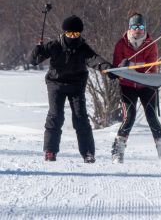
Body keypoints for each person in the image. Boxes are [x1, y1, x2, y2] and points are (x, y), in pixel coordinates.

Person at [30, 15, 115, 163]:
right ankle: (50, 151)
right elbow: (33, 61)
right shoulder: (55, 45)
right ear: (64, 33)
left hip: (76, 85)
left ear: (80, 34)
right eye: (70, 33)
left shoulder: (83, 47)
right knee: (56, 115)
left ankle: (88, 152)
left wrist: (107, 68)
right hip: (56, 83)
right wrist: (37, 50)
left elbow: (95, 59)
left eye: (76, 34)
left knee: (81, 117)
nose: (73, 36)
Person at [111, 11, 161, 164]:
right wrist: (122, 67)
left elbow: (151, 69)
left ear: (145, 28)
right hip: (127, 85)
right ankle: (118, 151)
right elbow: (116, 66)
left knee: (152, 117)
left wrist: (132, 68)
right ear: (130, 28)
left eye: (141, 26)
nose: (138, 30)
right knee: (129, 117)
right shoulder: (121, 44)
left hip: (146, 85)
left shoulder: (151, 44)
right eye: (134, 26)